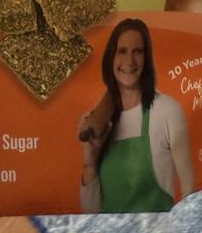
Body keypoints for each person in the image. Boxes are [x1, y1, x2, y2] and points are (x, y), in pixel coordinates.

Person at [78, 18, 194, 213]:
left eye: (137, 51)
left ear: (146, 58)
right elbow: (91, 214)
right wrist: (90, 163)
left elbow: (190, 194)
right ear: (111, 58)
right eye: (122, 51)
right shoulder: (95, 124)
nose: (129, 61)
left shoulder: (167, 111)